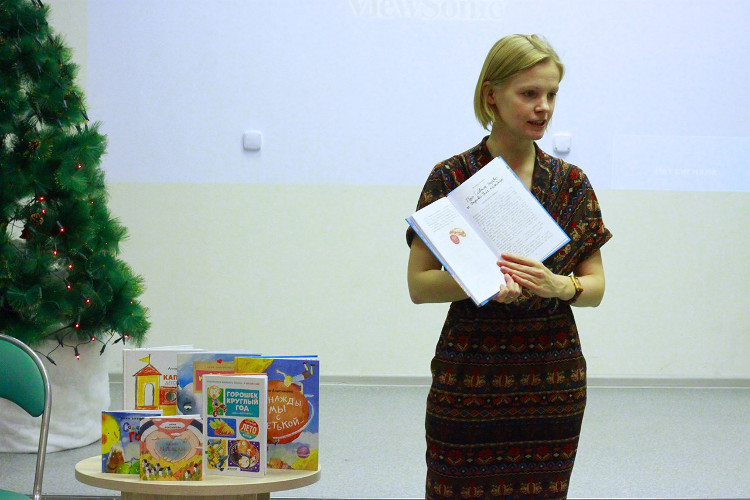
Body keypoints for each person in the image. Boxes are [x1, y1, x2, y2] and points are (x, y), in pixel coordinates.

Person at [407, 34, 612, 499]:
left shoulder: (572, 184)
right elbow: (419, 284)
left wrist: (559, 286)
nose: (544, 107)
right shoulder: (451, 177)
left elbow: (596, 287)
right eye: (529, 93)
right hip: (470, 375)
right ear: (491, 96)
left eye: (552, 94)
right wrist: (478, 280)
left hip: (551, 378)